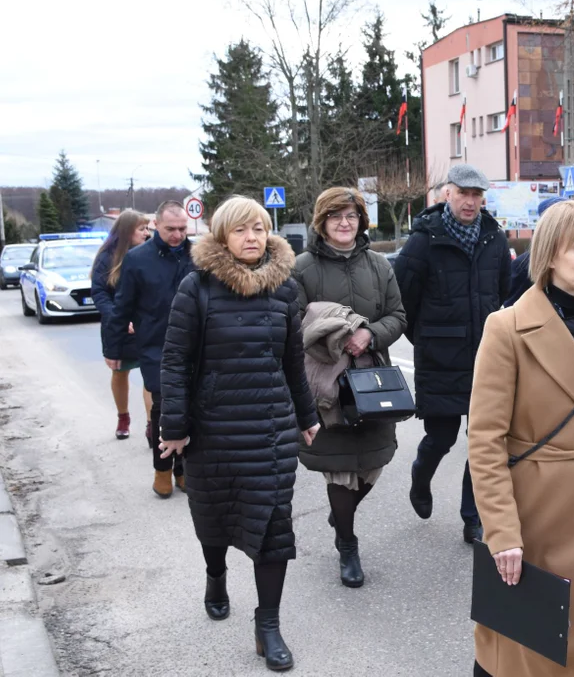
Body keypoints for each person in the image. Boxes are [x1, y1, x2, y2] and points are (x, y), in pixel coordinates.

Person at [469, 200, 574, 677]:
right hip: (533, 514)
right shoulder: (507, 328)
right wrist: (501, 533)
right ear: (550, 254)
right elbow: (485, 441)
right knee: (524, 646)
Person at [159, 196, 318, 672]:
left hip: (270, 433)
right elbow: (175, 361)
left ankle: (267, 625)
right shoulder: (197, 288)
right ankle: (215, 575)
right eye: (241, 230)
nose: (253, 237)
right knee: (214, 518)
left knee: (273, 529)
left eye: (260, 228)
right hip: (213, 432)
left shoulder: (285, 291)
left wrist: (307, 416)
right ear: (222, 236)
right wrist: (175, 427)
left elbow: (293, 361)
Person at [292, 187, 406, 588]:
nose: (345, 223)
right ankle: (347, 543)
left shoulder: (378, 265)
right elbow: (293, 322)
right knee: (338, 468)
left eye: (352, 216)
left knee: (374, 463)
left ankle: (342, 514)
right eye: (336, 216)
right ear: (321, 223)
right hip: (324, 380)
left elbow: (398, 315)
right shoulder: (302, 267)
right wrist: (335, 336)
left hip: (372, 376)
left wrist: (369, 336)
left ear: (361, 221)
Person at [393, 163, 512, 545]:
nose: (470, 202)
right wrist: (429, 341)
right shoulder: (424, 240)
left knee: (483, 443)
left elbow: (506, 296)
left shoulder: (494, 238)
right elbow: (403, 303)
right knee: (441, 438)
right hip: (441, 358)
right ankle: (420, 476)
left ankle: (472, 518)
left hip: (488, 361)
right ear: (448, 194)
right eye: (464, 193)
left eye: (477, 195)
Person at [103, 200, 194, 498]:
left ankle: (184, 469)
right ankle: (162, 470)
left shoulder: (199, 256)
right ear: (156, 225)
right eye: (171, 229)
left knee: (191, 407)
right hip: (156, 346)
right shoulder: (137, 259)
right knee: (163, 409)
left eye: (182, 228)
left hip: (195, 346)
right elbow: (121, 308)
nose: (178, 235)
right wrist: (113, 348)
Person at [91, 209, 152, 440]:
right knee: (120, 373)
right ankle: (123, 416)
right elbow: (99, 293)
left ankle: (151, 423)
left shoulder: (150, 253)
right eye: (141, 229)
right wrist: (119, 318)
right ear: (127, 231)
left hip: (146, 326)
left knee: (151, 375)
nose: (146, 233)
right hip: (118, 328)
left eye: (147, 228)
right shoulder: (107, 256)